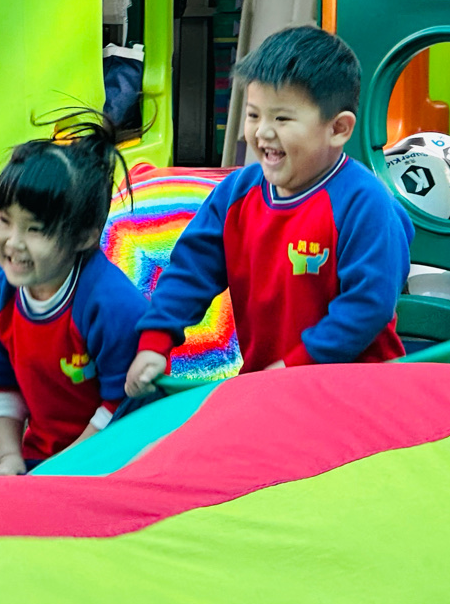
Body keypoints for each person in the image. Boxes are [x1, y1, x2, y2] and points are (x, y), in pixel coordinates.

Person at [126, 26, 413, 397]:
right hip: (268, 389)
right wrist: (155, 340)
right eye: (253, 115)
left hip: (358, 393)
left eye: (282, 119)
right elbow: (190, 272)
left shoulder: (364, 203)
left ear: (338, 129)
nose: (262, 132)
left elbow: (368, 305)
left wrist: (296, 366)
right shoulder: (236, 194)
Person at [0, 115, 148, 476]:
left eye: (35, 229)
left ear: (84, 236)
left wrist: (55, 473)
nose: (13, 242)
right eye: (4, 220)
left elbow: (121, 407)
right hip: (42, 461)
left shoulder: (111, 305)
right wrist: (9, 459)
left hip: (118, 462)